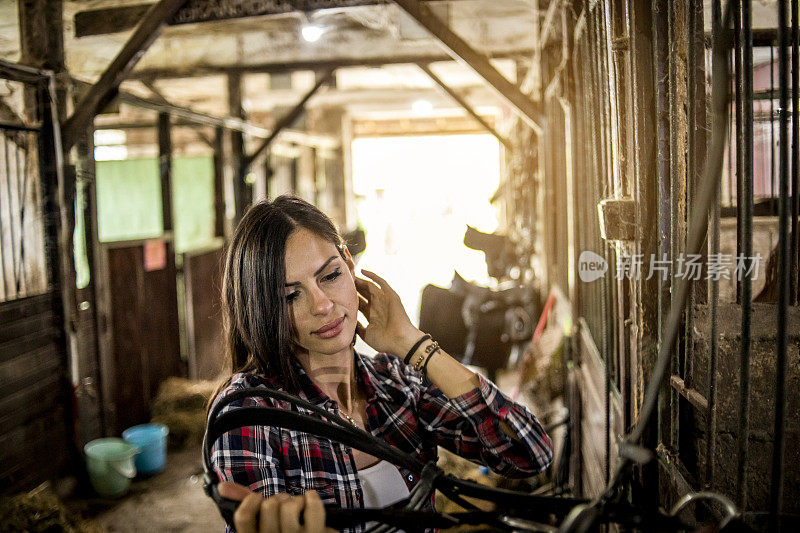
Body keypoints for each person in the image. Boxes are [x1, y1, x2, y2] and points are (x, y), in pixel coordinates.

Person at [208, 195, 553, 533]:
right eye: (290, 295)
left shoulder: (396, 382)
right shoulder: (250, 412)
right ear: (263, 309)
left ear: (349, 265)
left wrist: (412, 343)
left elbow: (528, 453)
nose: (323, 305)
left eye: (329, 276)